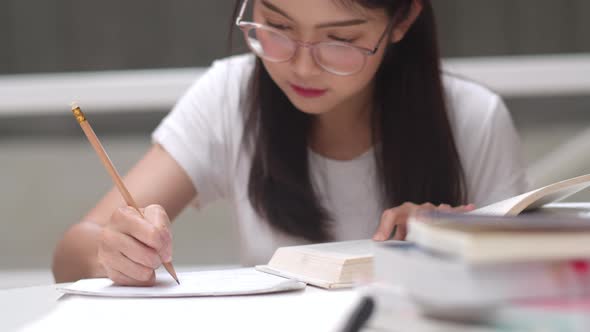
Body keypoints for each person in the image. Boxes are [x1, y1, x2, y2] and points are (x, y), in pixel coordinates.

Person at [52, 0, 529, 285]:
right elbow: (71, 253)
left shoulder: (474, 120)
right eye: (276, 28)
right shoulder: (228, 97)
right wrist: (113, 251)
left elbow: (532, 286)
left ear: (402, 21)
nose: (301, 67)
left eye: (339, 38)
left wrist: (462, 244)